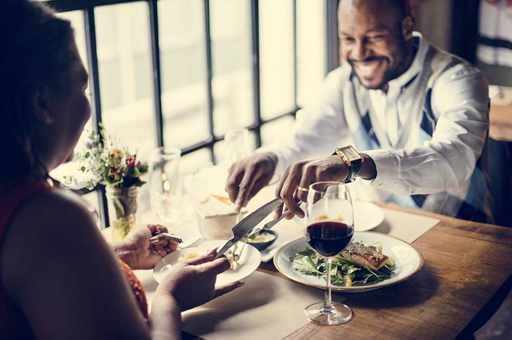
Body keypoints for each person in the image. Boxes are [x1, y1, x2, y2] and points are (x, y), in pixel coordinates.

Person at [0, 1, 241, 339]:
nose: (88, 110)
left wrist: (122, 253)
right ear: (41, 103)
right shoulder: (48, 219)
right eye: (83, 88)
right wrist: (169, 299)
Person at [226, 0, 493, 223]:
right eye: (348, 39)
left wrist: (354, 164)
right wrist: (270, 158)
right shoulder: (343, 83)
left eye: (374, 37)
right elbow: (305, 139)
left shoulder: (459, 79)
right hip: (388, 228)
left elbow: (453, 159)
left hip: (461, 229)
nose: (359, 53)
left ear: (407, 27)